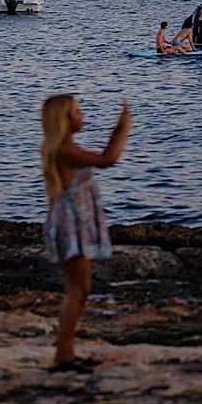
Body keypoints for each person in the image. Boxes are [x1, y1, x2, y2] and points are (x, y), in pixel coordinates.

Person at [41, 95, 131, 372]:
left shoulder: (66, 147)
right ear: (64, 120)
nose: (82, 116)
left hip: (77, 221)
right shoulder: (65, 150)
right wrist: (122, 128)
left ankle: (66, 353)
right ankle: (63, 356)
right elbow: (108, 159)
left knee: (81, 290)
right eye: (77, 112)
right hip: (73, 223)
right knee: (77, 291)